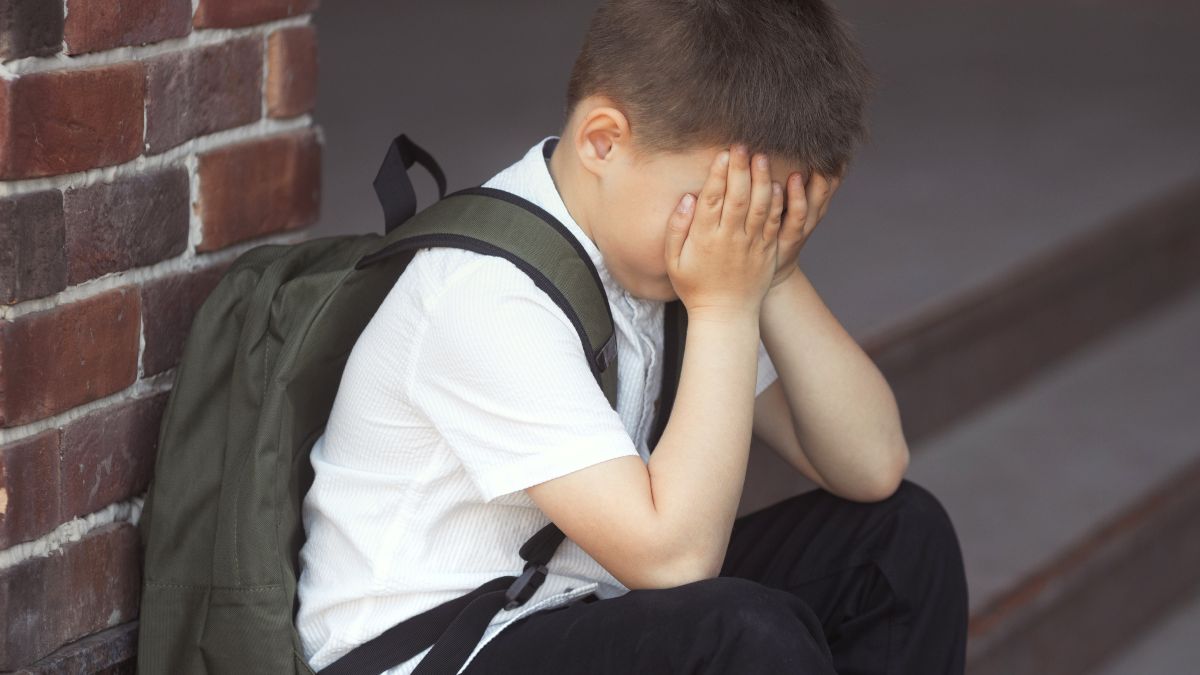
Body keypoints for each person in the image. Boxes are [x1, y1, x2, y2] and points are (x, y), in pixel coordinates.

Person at [297, 0, 969, 673]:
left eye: (760, 216)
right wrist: (728, 306)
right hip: (438, 650)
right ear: (603, 141)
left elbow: (872, 464)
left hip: (579, 604)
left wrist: (776, 271)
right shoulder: (485, 293)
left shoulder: (679, 263)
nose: (734, 234)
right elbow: (671, 558)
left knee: (901, 543)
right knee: (741, 636)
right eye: (722, 205)